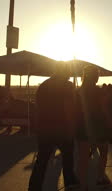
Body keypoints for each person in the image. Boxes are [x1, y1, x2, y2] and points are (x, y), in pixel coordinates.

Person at [28, 62, 79, 191]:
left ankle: (34, 187)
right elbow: (69, 108)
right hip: (62, 128)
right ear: (66, 71)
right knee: (68, 159)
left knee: (42, 161)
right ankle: (70, 184)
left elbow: (37, 108)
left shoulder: (44, 86)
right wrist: (72, 129)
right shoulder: (67, 86)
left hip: (45, 129)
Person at [76, 66, 112, 190]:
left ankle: (83, 185)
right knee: (103, 153)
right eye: (97, 74)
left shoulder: (78, 91)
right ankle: (99, 178)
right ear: (93, 76)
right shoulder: (98, 92)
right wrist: (111, 127)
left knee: (83, 159)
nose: (98, 77)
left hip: (82, 127)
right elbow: (104, 111)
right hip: (99, 128)